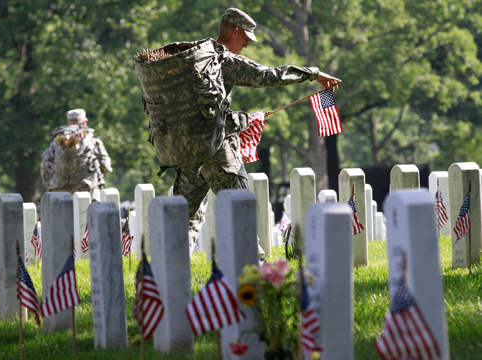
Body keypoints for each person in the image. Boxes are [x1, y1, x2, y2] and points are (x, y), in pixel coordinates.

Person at [137, 8, 340, 258]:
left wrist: (241, 120)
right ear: (235, 31)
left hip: (187, 153)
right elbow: (267, 75)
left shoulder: (192, 60)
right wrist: (312, 74)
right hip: (219, 153)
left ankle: (169, 277)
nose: (245, 46)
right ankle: (258, 271)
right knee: (241, 212)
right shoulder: (221, 60)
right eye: (245, 38)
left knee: (183, 221)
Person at [41, 109, 112, 201]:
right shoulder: (92, 140)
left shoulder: (57, 141)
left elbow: (45, 166)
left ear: (69, 123)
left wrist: (50, 182)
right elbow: (106, 166)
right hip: (87, 191)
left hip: (59, 193)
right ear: (83, 122)